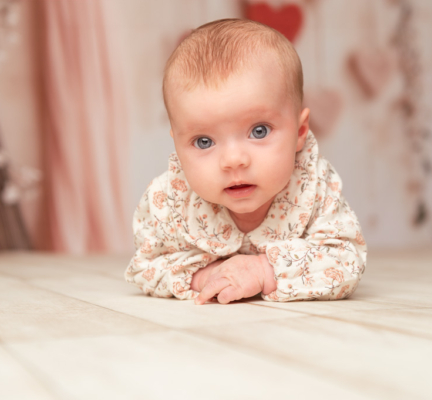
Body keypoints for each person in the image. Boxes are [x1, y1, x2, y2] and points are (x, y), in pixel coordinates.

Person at [125, 18, 367, 305]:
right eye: (204, 141)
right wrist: (203, 275)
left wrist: (264, 270)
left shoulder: (313, 186)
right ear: (177, 144)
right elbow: (145, 265)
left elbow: (346, 260)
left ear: (300, 132)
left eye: (259, 131)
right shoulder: (170, 200)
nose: (233, 160)